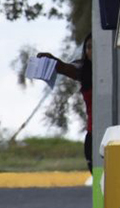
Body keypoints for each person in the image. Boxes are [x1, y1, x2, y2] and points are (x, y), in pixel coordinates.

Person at [38, 35, 93, 171]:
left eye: (94, 47)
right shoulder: (84, 69)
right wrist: (54, 62)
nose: (90, 51)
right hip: (93, 135)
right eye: (88, 47)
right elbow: (67, 68)